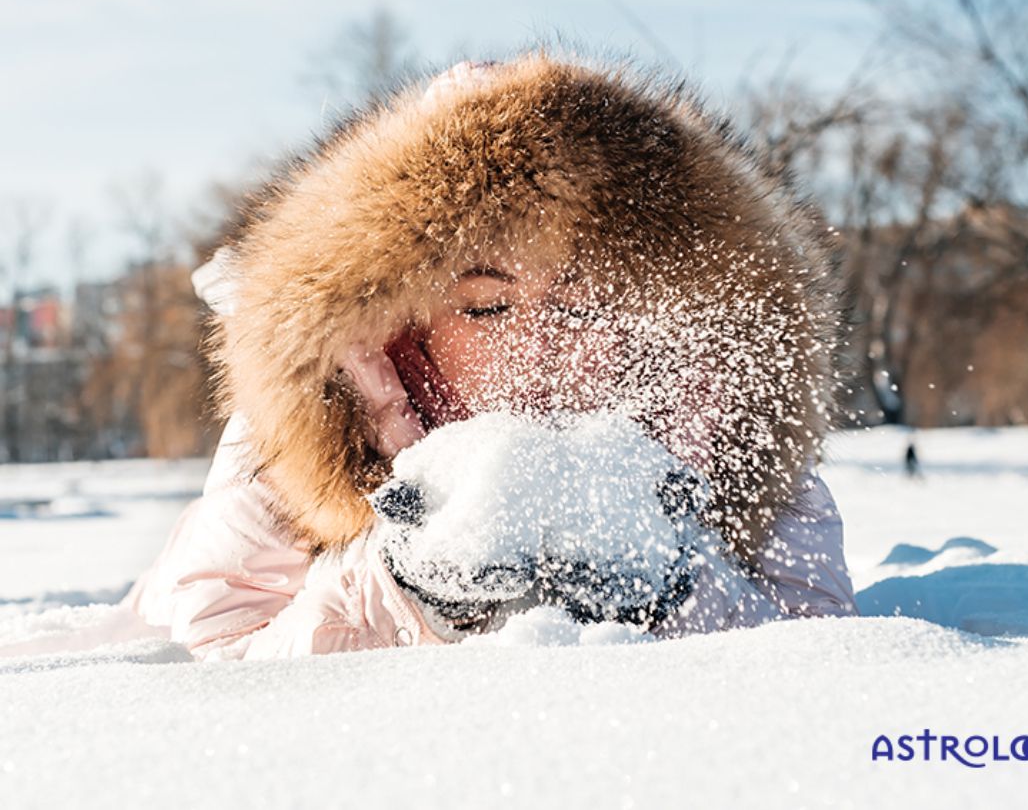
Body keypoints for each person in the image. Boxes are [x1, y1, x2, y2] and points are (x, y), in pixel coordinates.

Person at [120, 53, 859, 660]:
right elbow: (216, 652)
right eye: (485, 307)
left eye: (580, 306)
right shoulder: (312, 417)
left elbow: (820, 645)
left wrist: (673, 577)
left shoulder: (712, 411)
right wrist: (404, 586)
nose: (536, 347)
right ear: (406, 319)